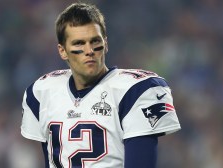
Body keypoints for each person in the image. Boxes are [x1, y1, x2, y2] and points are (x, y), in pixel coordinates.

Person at [21, 2, 181, 168]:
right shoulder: (42, 92)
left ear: (105, 44)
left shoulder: (136, 90)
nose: (89, 50)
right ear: (62, 51)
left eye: (94, 41)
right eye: (79, 43)